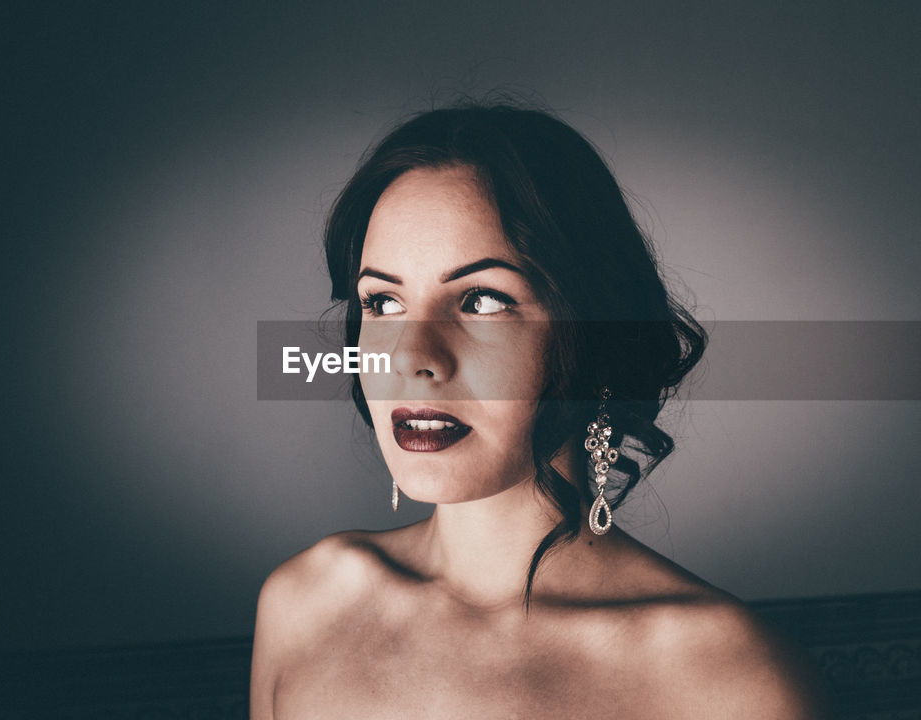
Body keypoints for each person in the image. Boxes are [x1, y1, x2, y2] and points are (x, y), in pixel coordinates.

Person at [250, 103, 825, 719]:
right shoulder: (304, 603)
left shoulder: (730, 680)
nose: (413, 356)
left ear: (595, 337)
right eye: (383, 303)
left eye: (482, 300)